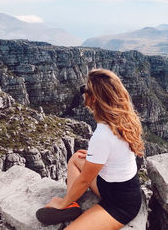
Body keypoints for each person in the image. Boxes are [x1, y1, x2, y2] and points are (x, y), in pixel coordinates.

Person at [44, 68, 144, 230]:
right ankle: (72, 206)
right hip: (113, 186)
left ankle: (68, 205)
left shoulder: (103, 135)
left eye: (86, 89)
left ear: (95, 98)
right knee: (76, 158)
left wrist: (62, 202)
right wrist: (93, 160)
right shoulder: (123, 119)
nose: (83, 92)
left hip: (121, 205)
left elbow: (84, 180)